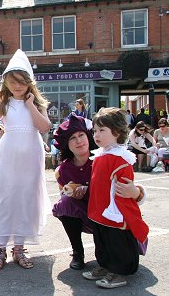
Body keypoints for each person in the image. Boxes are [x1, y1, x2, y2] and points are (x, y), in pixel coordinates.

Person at [0, 49, 51, 270]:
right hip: (8, 155)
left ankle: (19, 248)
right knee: (5, 197)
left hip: (31, 156)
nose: (17, 86)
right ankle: (1, 247)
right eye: (13, 81)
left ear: (29, 82)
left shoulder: (37, 103)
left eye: (22, 82)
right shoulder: (3, 103)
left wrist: (31, 105)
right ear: (5, 82)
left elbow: (44, 127)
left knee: (26, 199)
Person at [52, 115, 147, 270]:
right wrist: (71, 194)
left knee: (122, 253)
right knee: (64, 203)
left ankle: (113, 258)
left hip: (111, 217)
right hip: (87, 216)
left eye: (81, 135)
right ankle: (78, 252)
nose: (78, 141)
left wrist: (136, 192)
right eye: (72, 138)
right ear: (66, 144)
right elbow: (64, 202)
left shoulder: (105, 157)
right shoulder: (62, 170)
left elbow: (127, 186)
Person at [82, 107, 149, 289]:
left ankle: (119, 273)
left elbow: (127, 187)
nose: (97, 134)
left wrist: (132, 196)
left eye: (102, 130)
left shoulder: (121, 158)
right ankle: (105, 266)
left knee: (117, 242)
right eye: (95, 130)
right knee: (102, 240)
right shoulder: (101, 156)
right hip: (99, 210)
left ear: (117, 132)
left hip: (115, 212)